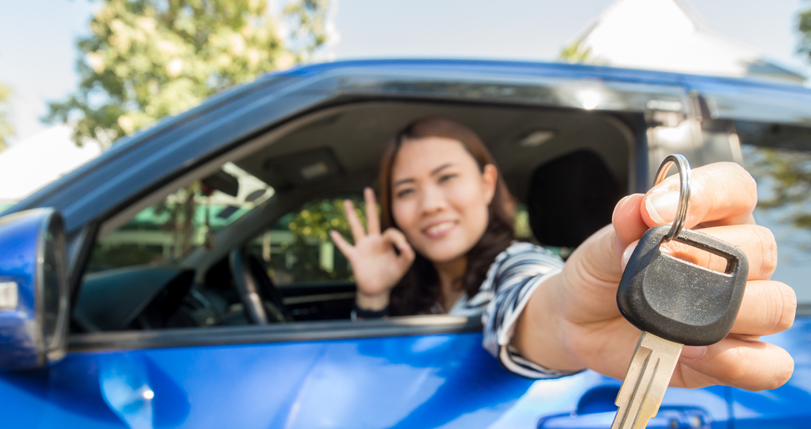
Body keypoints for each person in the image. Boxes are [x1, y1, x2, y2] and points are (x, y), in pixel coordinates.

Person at [329, 117, 795, 390]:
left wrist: (566, 326)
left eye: (447, 177)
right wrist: (373, 295)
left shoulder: (516, 264)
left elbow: (540, 298)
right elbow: (366, 371)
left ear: (487, 183)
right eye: (407, 190)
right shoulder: (415, 282)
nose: (429, 202)